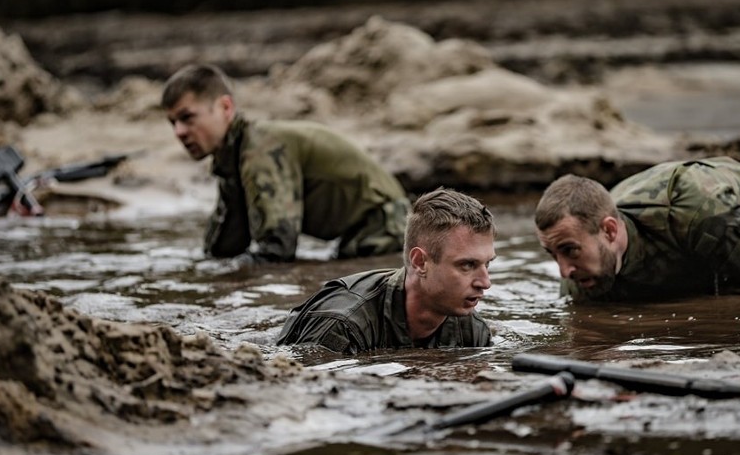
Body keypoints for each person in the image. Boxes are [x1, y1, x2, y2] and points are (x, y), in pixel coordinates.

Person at [161, 63, 410, 266]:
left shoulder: (261, 149)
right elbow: (223, 248)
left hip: (385, 227)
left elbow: (277, 248)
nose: (179, 132)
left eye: (187, 117)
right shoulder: (232, 158)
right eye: (173, 122)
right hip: (364, 231)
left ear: (225, 107)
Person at [534, 156, 740, 302]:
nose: (563, 271)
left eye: (570, 250)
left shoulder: (700, 215)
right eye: (552, 254)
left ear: (610, 231)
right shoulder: (580, 276)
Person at [277, 188, 497, 354]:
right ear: (420, 262)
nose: (485, 283)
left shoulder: (472, 331)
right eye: (467, 265)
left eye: (486, 264)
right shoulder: (342, 325)